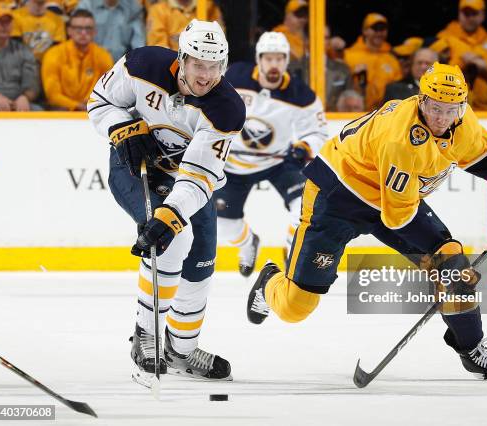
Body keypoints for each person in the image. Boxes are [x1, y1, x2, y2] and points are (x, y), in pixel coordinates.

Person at [246, 63, 487, 379]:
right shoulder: (400, 140)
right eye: (434, 107)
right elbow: (399, 216)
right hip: (337, 195)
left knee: (452, 264)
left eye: (450, 109)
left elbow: (481, 154)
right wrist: (448, 255)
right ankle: (270, 281)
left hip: (390, 196)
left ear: (463, 106)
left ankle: (472, 349)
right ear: (421, 100)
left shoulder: (462, 121)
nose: (441, 118)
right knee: (295, 308)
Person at [87, 19, 245, 387]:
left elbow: (199, 175)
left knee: (202, 260)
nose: (206, 76)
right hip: (135, 166)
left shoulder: (226, 109)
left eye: (214, 66)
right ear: (181, 59)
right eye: (198, 65)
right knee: (174, 240)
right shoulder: (141, 65)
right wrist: (121, 127)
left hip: (185, 179)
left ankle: (182, 350)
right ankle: (146, 335)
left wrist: (171, 213)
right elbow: (100, 102)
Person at [217, 32, 327, 276]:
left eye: (280, 59)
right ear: (259, 59)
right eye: (269, 59)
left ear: (287, 61)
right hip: (232, 164)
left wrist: (305, 146)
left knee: (304, 208)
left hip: (278, 162)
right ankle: (248, 245)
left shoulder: (303, 95)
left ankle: (291, 251)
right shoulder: (235, 76)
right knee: (223, 226)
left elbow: (318, 133)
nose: (274, 64)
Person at [437, 0, 487, 110]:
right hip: (452, 108)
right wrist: (462, 62)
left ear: (482, 15)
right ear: (459, 14)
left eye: (474, 14)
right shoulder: (444, 38)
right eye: (466, 14)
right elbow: (436, 73)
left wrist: (485, 67)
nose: (470, 18)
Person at [41, 9, 113, 110]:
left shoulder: (103, 56)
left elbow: (107, 90)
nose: (83, 33)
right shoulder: (54, 54)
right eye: (78, 28)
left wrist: (89, 103)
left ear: (94, 32)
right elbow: (52, 95)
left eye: (88, 29)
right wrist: (76, 106)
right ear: (69, 31)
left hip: (93, 109)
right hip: (61, 111)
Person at [0, 2, 41, 111]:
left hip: (19, 103)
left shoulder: (24, 51)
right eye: (0, 21)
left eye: (8, 22)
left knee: (38, 111)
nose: (4, 26)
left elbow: (32, 85)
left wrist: (25, 97)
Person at [344, 12, 402, 111]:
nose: (379, 33)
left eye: (383, 29)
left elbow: (398, 91)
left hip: (383, 115)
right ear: (364, 31)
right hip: (354, 113)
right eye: (375, 28)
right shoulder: (348, 55)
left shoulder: (392, 60)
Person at [76, 0, 146, 61]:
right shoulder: (87, 5)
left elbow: (138, 43)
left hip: (121, 66)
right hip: (92, 64)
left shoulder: (133, 8)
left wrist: (139, 62)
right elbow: (78, 40)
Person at [146, 0, 222, 51]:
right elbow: (158, 47)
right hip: (172, 65)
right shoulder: (158, 10)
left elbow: (219, 39)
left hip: (204, 62)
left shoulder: (207, 6)